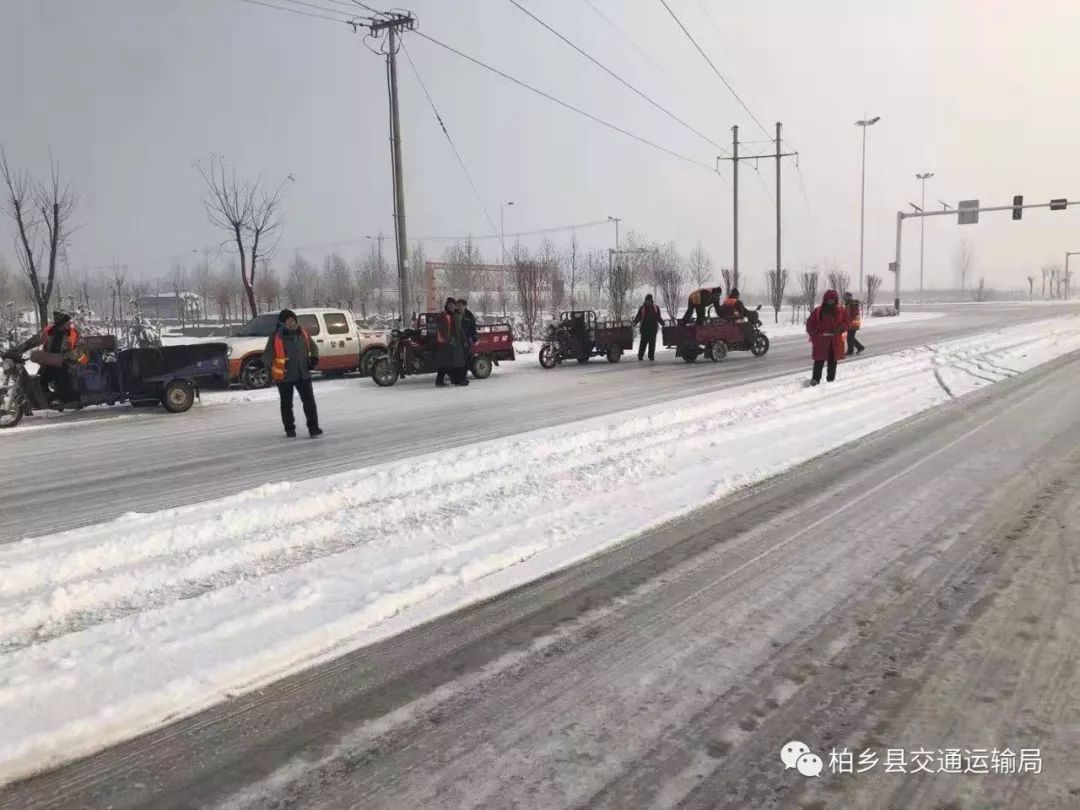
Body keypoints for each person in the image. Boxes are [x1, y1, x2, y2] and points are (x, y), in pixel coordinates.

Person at [263, 309, 322, 438]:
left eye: (293, 319)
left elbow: (313, 347)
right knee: (286, 403)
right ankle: (289, 428)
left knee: (309, 402)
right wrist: (267, 367)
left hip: (303, 373)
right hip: (284, 376)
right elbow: (268, 354)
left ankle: (313, 428)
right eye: (288, 320)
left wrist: (314, 358)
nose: (291, 322)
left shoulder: (302, 333)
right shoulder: (276, 336)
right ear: (282, 322)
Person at [13, 310, 87, 402]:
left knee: (63, 379)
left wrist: (67, 357)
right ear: (61, 324)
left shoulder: (73, 333)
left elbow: (81, 350)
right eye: (67, 322)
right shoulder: (49, 332)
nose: (70, 324)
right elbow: (32, 342)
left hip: (67, 363)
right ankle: (46, 397)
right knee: (41, 380)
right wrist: (18, 350)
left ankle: (69, 398)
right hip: (49, 362)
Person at [805, 289, 850, 385]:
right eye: (829, 299)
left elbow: (847, 322)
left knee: (832, 362)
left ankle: (830, 380)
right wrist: (814, 333)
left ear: (836, 300)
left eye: (833, 300)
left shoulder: (841, 310)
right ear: (825, 299)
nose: (830, 301)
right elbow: (809, 324)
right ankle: (815, 380)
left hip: (834, 341)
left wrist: (841, 328)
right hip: (821, 341)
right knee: (819, 361)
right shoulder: (818, 311)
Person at [435, 297, 468, 387]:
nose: (451, 306)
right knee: (448, 363)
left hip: (454, 342)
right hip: (445, 343)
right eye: (449, 305)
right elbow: (442, 330)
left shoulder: (454, 315)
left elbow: (459, 329)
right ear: (446, 305)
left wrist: (464, 340)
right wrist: (449, 339)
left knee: (450, 363)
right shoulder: (443, 315)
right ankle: (457, 380)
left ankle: (453, 380)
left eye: (453, 305)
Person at [633, 293, 664, 361]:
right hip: (644, 329)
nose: (648, 302)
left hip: (653, 329)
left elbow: (658, 317)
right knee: (643, 344)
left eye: (649, 300)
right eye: (646, 300)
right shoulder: (642, 308)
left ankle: (651, 356)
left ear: (651, 300)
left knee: (652, 344)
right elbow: (638, 317)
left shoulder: (656, 307)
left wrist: (663, 323)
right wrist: (634, 322)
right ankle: (640, 356)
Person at [457, 298, 479, 376]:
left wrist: (474, 337)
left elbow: (473, 327)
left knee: (465, 359)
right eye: (457, 305)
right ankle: (457, 375)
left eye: (460, 305)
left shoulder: (469, 315)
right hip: (456, 341)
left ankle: (463, 375)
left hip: (466, 341)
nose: (459, 307)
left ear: (465, 306)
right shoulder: (454, 314)